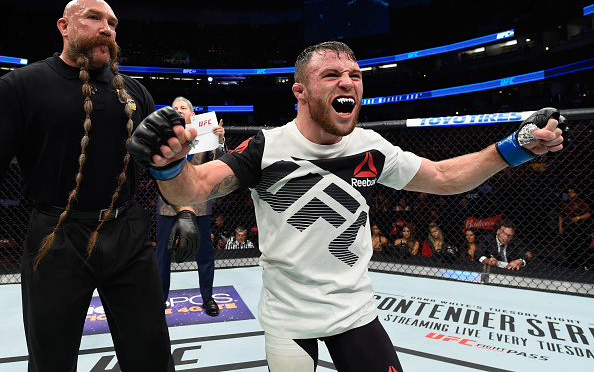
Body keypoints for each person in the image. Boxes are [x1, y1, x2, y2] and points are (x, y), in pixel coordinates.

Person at [128, 41, 565, 372]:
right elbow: (195, 189)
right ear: (300, 91)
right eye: (333, 74)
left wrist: (519, 146)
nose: (348, 82)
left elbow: (445, 177)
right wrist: (169, 168)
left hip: (354, 313)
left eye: (355, 75)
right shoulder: (265, 147)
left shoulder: (369, 146)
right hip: (290, 318)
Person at [0, 0, 180, 371]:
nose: (107, 28)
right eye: (94, 18)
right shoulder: (21, 85)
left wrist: (187, 208)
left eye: (113, 23)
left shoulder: (134, 91)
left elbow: (170, 166)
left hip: (127, 230)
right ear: (64, 27)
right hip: (55, 235)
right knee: (51, 359)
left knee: (152, 353)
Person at [155, 96, 226, 317]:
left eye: (182, 107)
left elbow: (220, 163)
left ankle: (207, 298)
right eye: (174, 108)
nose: (178, 110)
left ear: (192, 114)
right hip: (169, 204)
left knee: (204, 252)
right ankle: (159, 300)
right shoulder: (162, 136)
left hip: (199, 204)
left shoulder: (206, 136)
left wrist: (220, 141)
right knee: (162, 254)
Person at [558, 186, 591, 269]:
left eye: (572, 192)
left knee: (578, 245)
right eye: (569, 192)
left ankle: (581, 263)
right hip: (567, 226)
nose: (570, 194)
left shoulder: (581, 203)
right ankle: (571, 262)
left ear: (576, 193)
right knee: (568, 245)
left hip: (578, 227)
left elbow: (588, 214)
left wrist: (578, 218)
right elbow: (561, 215)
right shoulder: (564, 203)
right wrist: (560, 227)